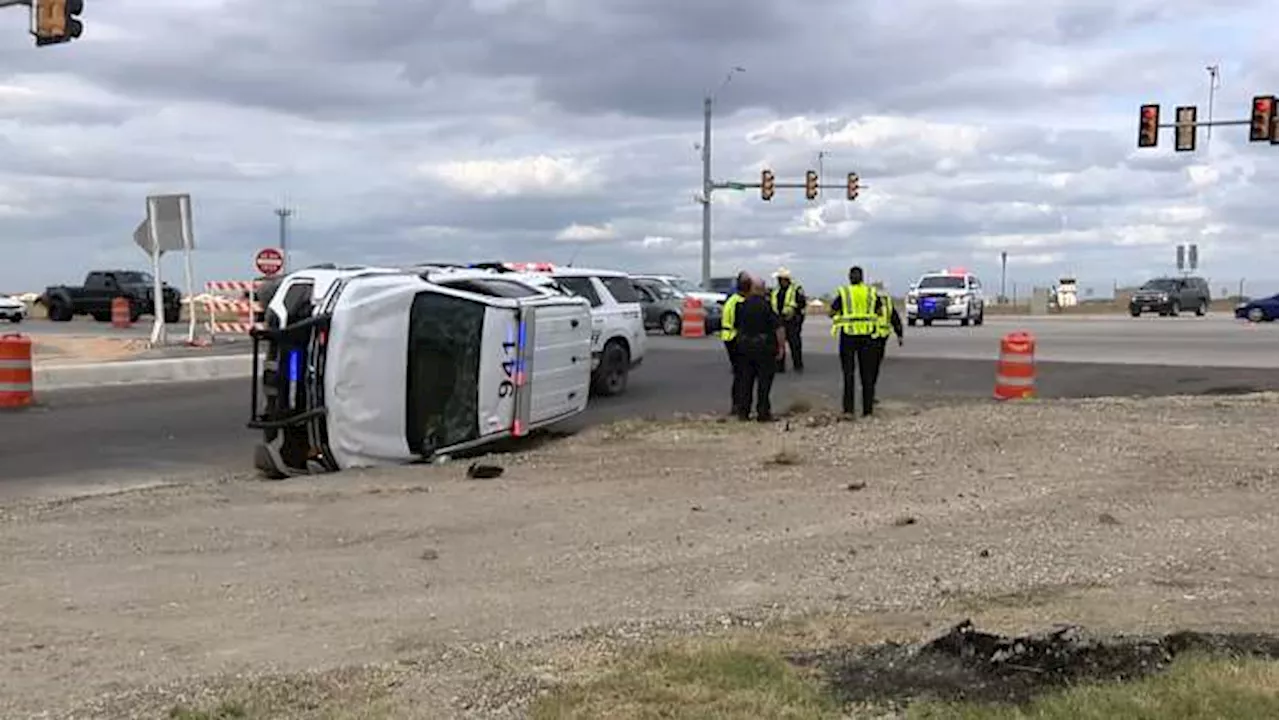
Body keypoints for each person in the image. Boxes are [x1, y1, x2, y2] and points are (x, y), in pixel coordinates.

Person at [827, 266, 880, 418]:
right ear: (862, 277)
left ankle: (849, 410)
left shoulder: (845, 293)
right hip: (868, 336)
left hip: (848, 336)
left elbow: (831, 312)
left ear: (849, 277)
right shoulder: (870, 292)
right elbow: (880, 311)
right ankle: (868, 410)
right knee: (867, 375)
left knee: (848, 374)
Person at [732, 275, 786, 421]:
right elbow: (778, 328)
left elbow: (737, 327)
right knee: (764, 383)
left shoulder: (741, 306)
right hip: (764, 348)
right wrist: (781, 347)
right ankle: (763, 413)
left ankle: (743, 413)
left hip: (744, 348)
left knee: (745, 381)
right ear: (761, 289)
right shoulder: (766, 306)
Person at [719, 271, 751, 414]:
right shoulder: (739, 302)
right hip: (734, 337)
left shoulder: (731, 299)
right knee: (742, 373)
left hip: (727, 335)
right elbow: (740, 322)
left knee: (738, 373)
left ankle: (736, 404)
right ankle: (738, 405)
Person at [770, 267, 807, 373]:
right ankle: (779, 366)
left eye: (780, 278)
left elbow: (802, 303)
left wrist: (794, 311)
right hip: (778, 319)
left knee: (794, 344)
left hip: (792, 321)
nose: (779, 281)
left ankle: (798, 365)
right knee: (778, 344)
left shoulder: (796, 289)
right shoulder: (776, 290)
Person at [870, 291, 904, 400]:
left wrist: (899, 335)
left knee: (872, 368)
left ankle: (870, 393)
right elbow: (895, 319)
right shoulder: (887, 301)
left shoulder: (876, 301)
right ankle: (869, 394)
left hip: (876, 337)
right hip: (873, 338)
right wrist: (899, 335)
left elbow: (894, 318)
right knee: (871, 368)